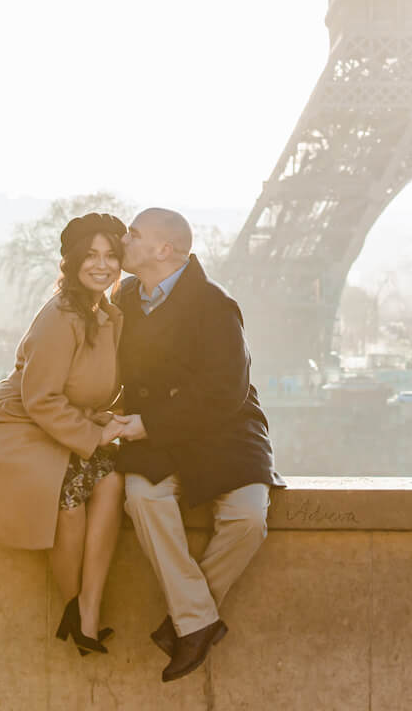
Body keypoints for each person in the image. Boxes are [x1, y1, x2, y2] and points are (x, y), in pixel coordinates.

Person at [108, 207, 282, 683]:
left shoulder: (215, 304)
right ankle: (198, 620)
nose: (125, 239)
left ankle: (188, 619)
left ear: (163, 250)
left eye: (134, 233)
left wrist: (150, 425)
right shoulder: (122, 299)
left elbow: (225, 392)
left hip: (223, 430)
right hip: (158, 431)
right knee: (143, 497)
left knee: (248, 518)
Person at [0, 212, 139, 657]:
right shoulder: (61, 313)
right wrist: (95, 435)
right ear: (71, 262)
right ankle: (73, 605)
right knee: (68, 498)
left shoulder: (106, 312)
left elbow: (88, 387)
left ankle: (88, 605)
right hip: (18, 427)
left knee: (112, 484)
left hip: (60, 424)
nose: (101, 265)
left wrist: (107, 420)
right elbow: (40, 399)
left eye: (110, 256)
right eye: (90, 255)